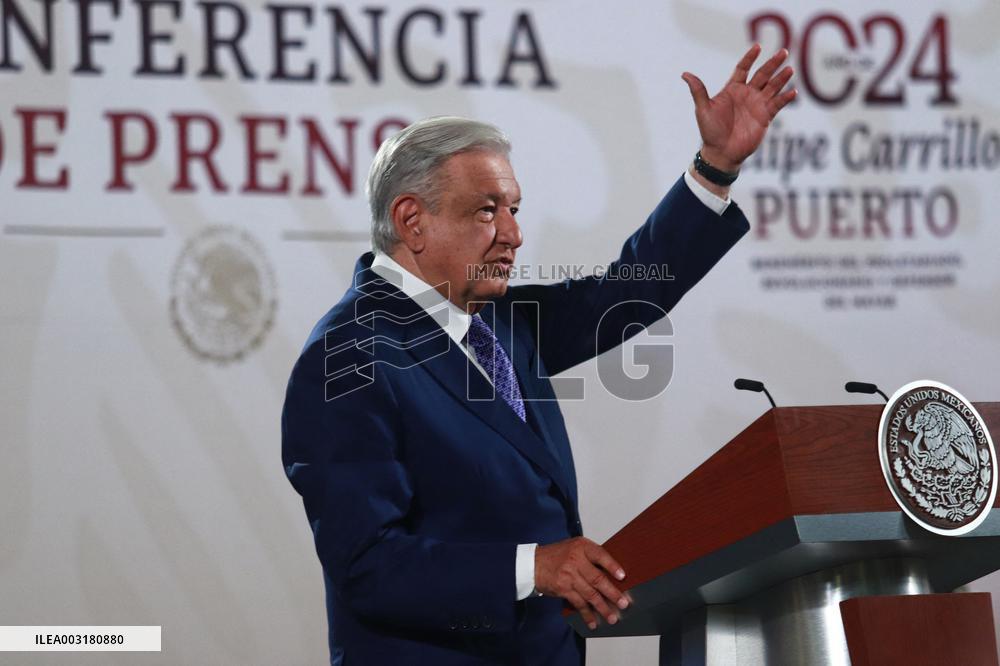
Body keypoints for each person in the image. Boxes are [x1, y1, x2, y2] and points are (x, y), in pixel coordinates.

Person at [282, 44, 795, 666]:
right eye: (487, 211)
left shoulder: (499, 318)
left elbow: (627, 292)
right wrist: (534, 567)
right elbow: (368, 567)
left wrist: (714, 167)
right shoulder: (348, 355)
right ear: (412, 221)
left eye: (514, 209)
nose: (513, 233)